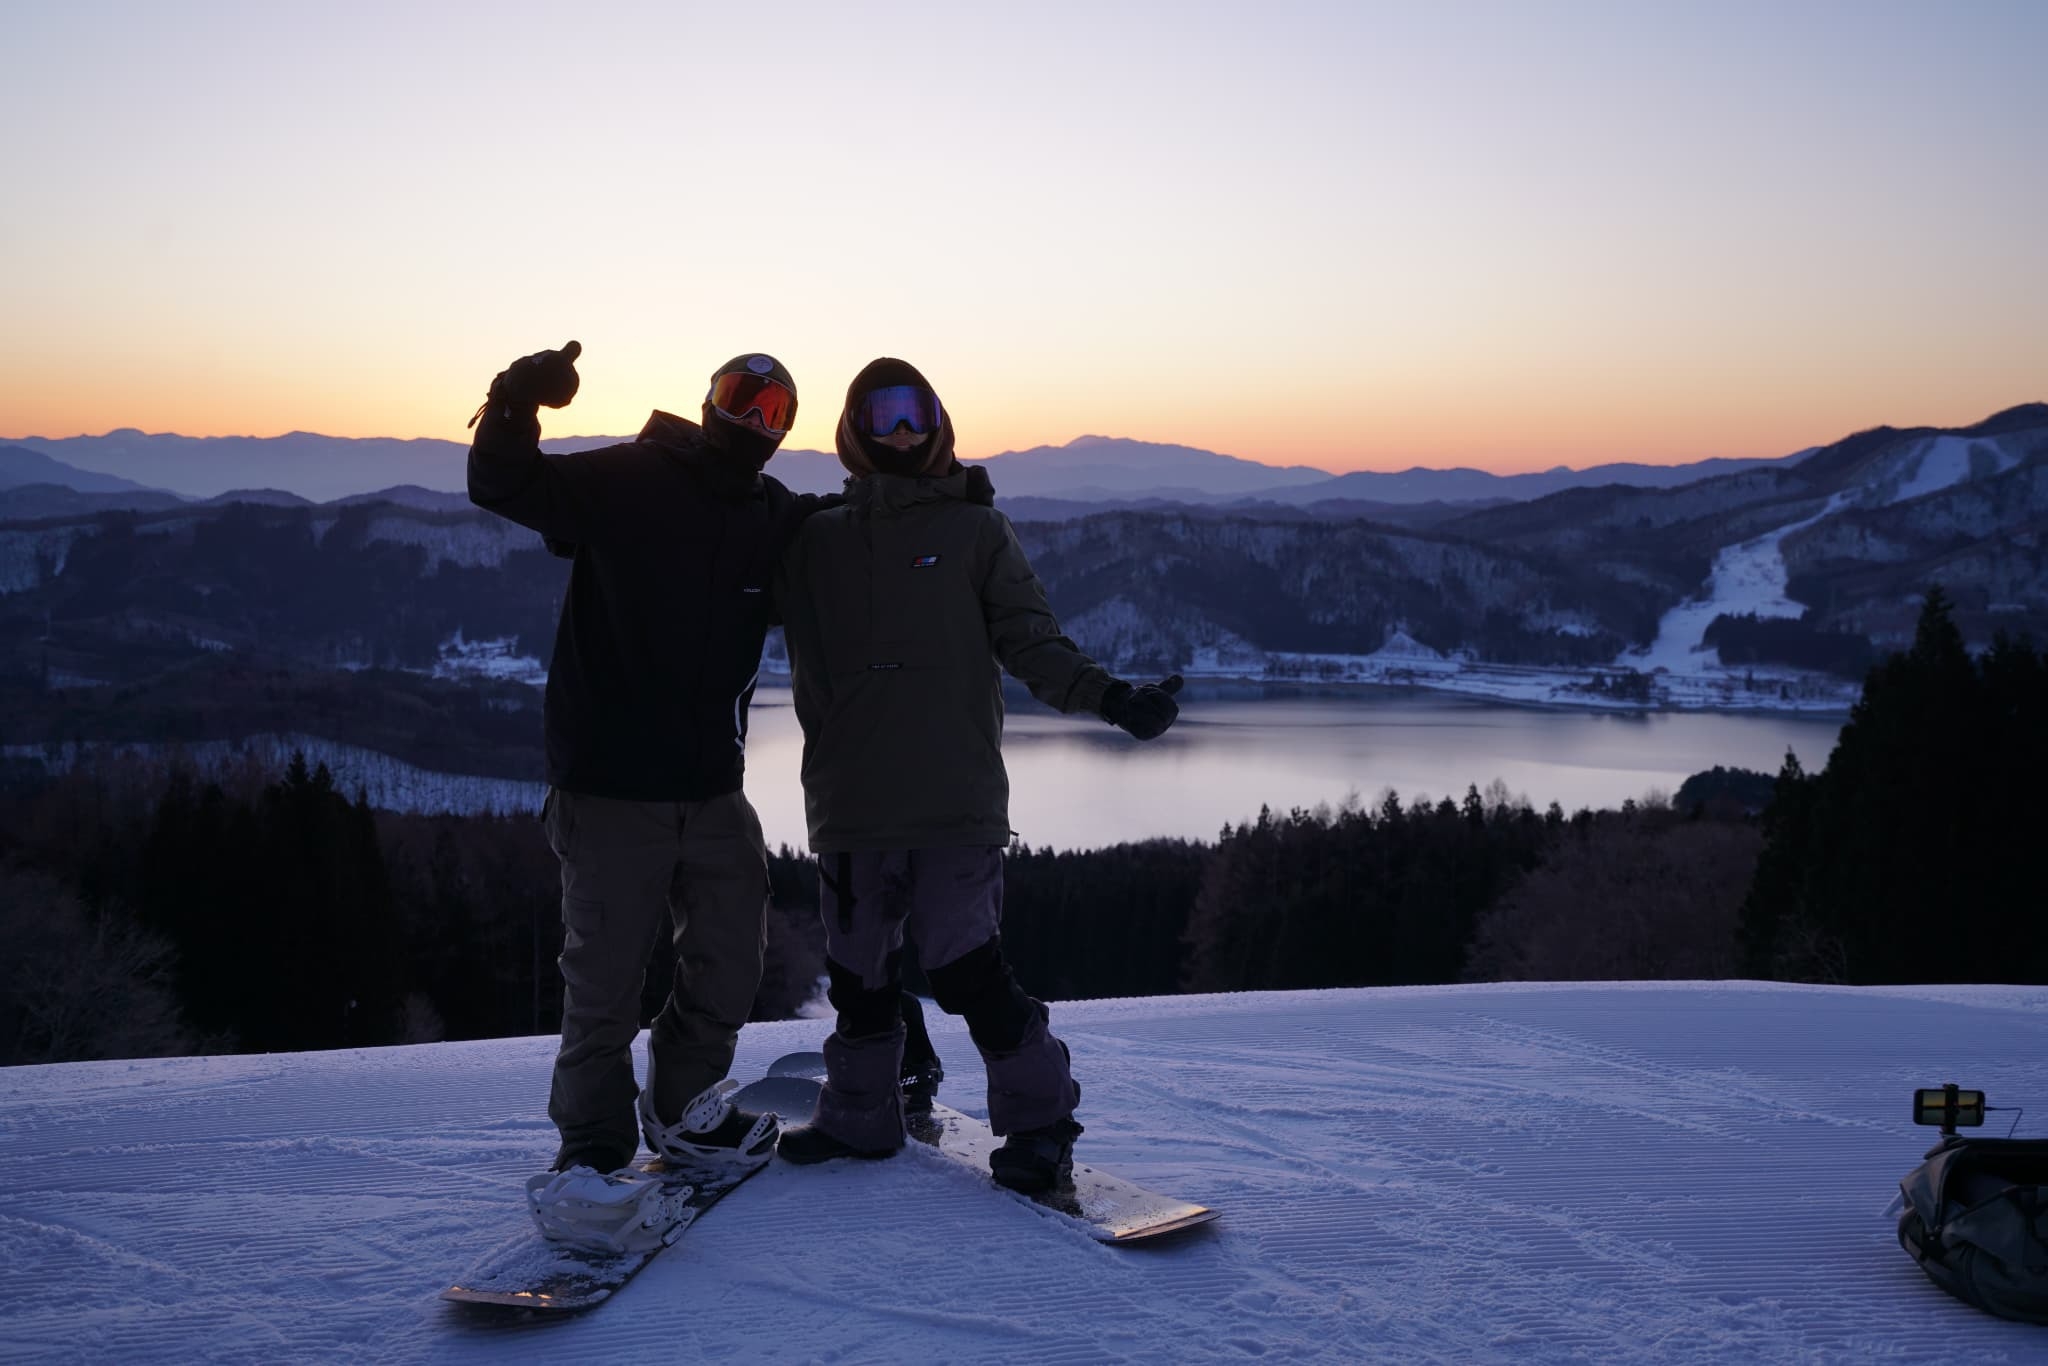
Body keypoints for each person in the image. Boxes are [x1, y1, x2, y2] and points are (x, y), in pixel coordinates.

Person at [772, 357, 1182, 1191]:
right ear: (853, 431)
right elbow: (711, 587)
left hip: (953, 797)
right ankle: (859, 1115)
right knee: (859, 978)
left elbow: (1032, 641)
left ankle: (1039, 1124)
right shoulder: (813, 540)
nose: (899, 434)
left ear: (939, 426)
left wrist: (1111, 698)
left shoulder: (975, 534)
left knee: (966, 968)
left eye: (913, 415)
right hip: (850, 800)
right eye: (881, 416)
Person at [467, 341, 828, 1178]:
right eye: (742, 397)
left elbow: (855, 525)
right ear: (708, 403)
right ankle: (591, 1147)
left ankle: (684, 1113)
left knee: (732, 960)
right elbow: (506, 484)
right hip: (608, 787)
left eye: (773, 412)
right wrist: (514, 402)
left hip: (711, 788)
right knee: (604, 987)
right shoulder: (631, 480)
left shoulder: (771, 516)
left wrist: (939, 499)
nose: (752, 420)